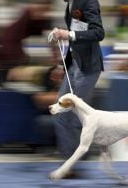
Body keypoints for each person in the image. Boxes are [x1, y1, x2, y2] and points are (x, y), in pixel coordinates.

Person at [49, 0, 104, 178]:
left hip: (87, 68)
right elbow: (74, 39)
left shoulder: (89, 1)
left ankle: (70, 164)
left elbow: (98, 33)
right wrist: (62, 65)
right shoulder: (71, 3)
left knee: (69, 117)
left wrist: (69, 34)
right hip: (73, 67)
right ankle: (69, 163)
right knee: (60, 114)